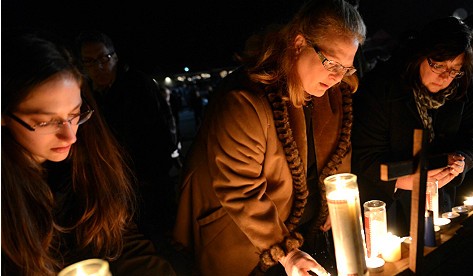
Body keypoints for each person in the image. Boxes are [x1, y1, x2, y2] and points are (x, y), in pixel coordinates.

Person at [172, 0, 366, 275]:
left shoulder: (333, 96)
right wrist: (285, 252)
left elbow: (338, 155)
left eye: (346, 68)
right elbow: (240, 190)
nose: (337, 77)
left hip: (302, 238)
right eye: (331, 62)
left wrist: (333, 208)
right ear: (299, 43)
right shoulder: (246, 100)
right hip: (244, 241)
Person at [1, 32, 175, 275]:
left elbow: (121, 236)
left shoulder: (90, 159)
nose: (71, 136)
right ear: (4, 117)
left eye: (74, 114)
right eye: (45, 122)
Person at [351, 16, 473, 237]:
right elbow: (364, 156)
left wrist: (461, 161)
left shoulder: (465, 87)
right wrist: (403, 181)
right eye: (438, 64)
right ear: (419, 55)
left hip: (438, 193)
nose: (445, 77)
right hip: (387, 200)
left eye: (455, 69)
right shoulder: (382, 87)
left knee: (437, 251)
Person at [74, 30, 180, 252]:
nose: (99, 66)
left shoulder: (137, 85)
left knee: (159, 237)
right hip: (109, 183)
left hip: (147, 180)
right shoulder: (84, 96)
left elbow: (161, 129)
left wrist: (156, 170)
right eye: (90, 61)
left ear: (115, 57)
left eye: (104, 58)